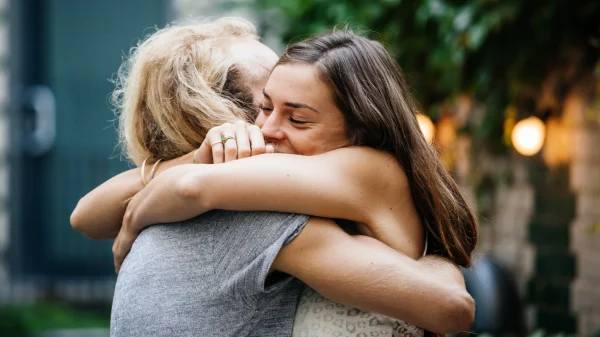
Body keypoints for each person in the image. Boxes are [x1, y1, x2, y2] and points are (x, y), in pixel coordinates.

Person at [71, 18, 475, 336]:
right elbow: (86, 214)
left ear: (360, 126)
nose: (268, 128)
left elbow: (186, 187)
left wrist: (132, 222)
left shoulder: (354, 171)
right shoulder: (259, 206)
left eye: (297, 116)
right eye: (264, 104)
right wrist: (199, 158)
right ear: (220, 110)